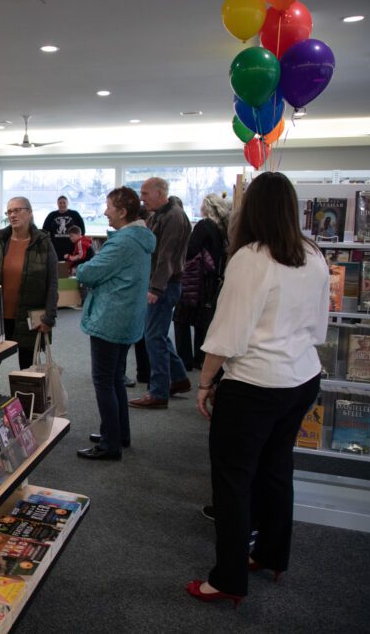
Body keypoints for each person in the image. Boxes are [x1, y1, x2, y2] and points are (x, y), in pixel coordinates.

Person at [188, 172, 328, 607]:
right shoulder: (312, 254)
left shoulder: (251, 257)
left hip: (254, 383)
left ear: (252, 210)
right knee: (276, 469)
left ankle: (228, 578)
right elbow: (319, 326)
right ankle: (271, 554)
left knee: (233, 482)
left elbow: (228, 332)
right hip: (302, 377)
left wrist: (206, 381)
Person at [74, 187, 155, 460]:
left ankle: (110, 444)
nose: (105, 211)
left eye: (109, 207)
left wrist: (83, 268)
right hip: (127, 318)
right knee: (115, 379)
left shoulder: (122, 242)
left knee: (104, 382)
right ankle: (119, 433)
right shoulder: (139, 239)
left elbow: (89, 272)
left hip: (110, 318)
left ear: (122, 212)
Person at [128, 177, 192, 409]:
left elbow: (167, 255)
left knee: (153, 337)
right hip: (162, 282)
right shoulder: (160, 214)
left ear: (159, 193)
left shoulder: (174, 217)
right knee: (159, 334)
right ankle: (179, 378)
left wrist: (156, 288)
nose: (141, 198)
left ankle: (158, 392)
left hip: (164, 285)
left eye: (145, 193)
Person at [0, 197, 59, 370]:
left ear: (30, 213)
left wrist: (50, 317)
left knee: (28, 370)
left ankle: (26, 399)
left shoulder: (43, 244)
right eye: (9, 211)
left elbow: (52, 284)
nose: (13, 215)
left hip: (29, 318)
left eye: (18, 210)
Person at [175, 194, 230, 371]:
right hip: (213, 280)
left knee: (181, 319)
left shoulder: (203, 225)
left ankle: (185, 360)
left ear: (206, 207)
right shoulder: (223, 228)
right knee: (202, 321)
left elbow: (191, 251)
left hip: (195, 281)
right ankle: (199, 357)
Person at [42, 195, 85, 261]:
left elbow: (82, 230)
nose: (62, 205)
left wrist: (78, 243)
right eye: (60, 203)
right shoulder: (51, 215)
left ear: (67, 203)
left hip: (72, 247)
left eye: (64, 203)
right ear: (57, 204)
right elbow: (44, 230)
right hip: (55, 247)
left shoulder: (75, 214)